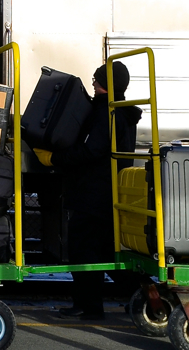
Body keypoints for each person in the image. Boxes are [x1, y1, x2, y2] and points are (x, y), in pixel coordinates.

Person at [52, 61, 142, 320]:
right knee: (102, 251)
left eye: (97, 80)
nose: (93, 83)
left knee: (84, 250)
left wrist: (56, 158)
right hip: (110, 191)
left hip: (93, 192)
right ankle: (143, 296)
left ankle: (91, 306)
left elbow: (92, 150)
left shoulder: (105, 112)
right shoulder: (122, 111)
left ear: (107, 84)